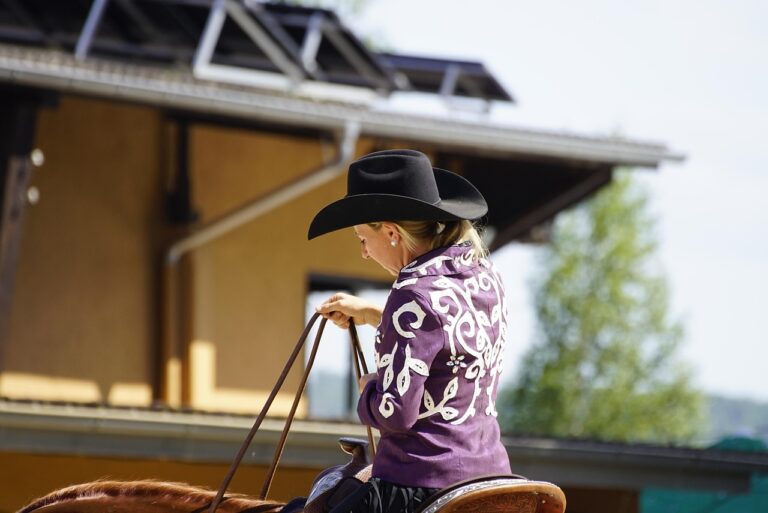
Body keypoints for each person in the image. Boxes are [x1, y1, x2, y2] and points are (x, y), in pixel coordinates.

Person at [308, 149, 511, 513]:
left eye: (362, 239)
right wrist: (373, 313)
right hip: (490, 475)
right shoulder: (484, 277)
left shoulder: (412, 294)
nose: (365, 253)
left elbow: (395, 412)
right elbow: (448, 334)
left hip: (421, 482)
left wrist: (370, 387)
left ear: (390, 232)